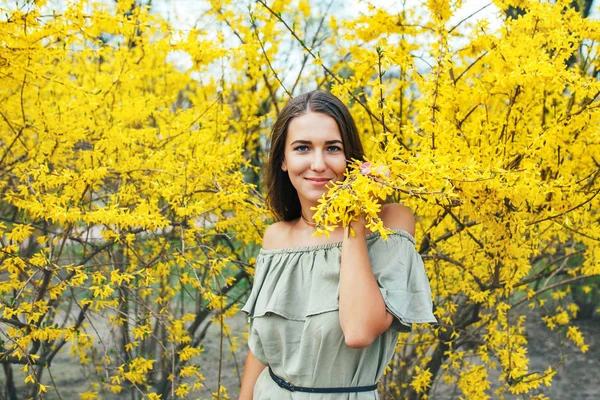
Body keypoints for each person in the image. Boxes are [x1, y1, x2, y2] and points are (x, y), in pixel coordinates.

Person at [239, 90, 436, 399]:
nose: (318, 164)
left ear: (351, 159)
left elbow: (359, 331)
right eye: (302, 148)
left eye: (332, 148)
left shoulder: (390, 223)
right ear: (283, 161)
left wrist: (355, 216)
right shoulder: (275, 237)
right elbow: (260, 350)